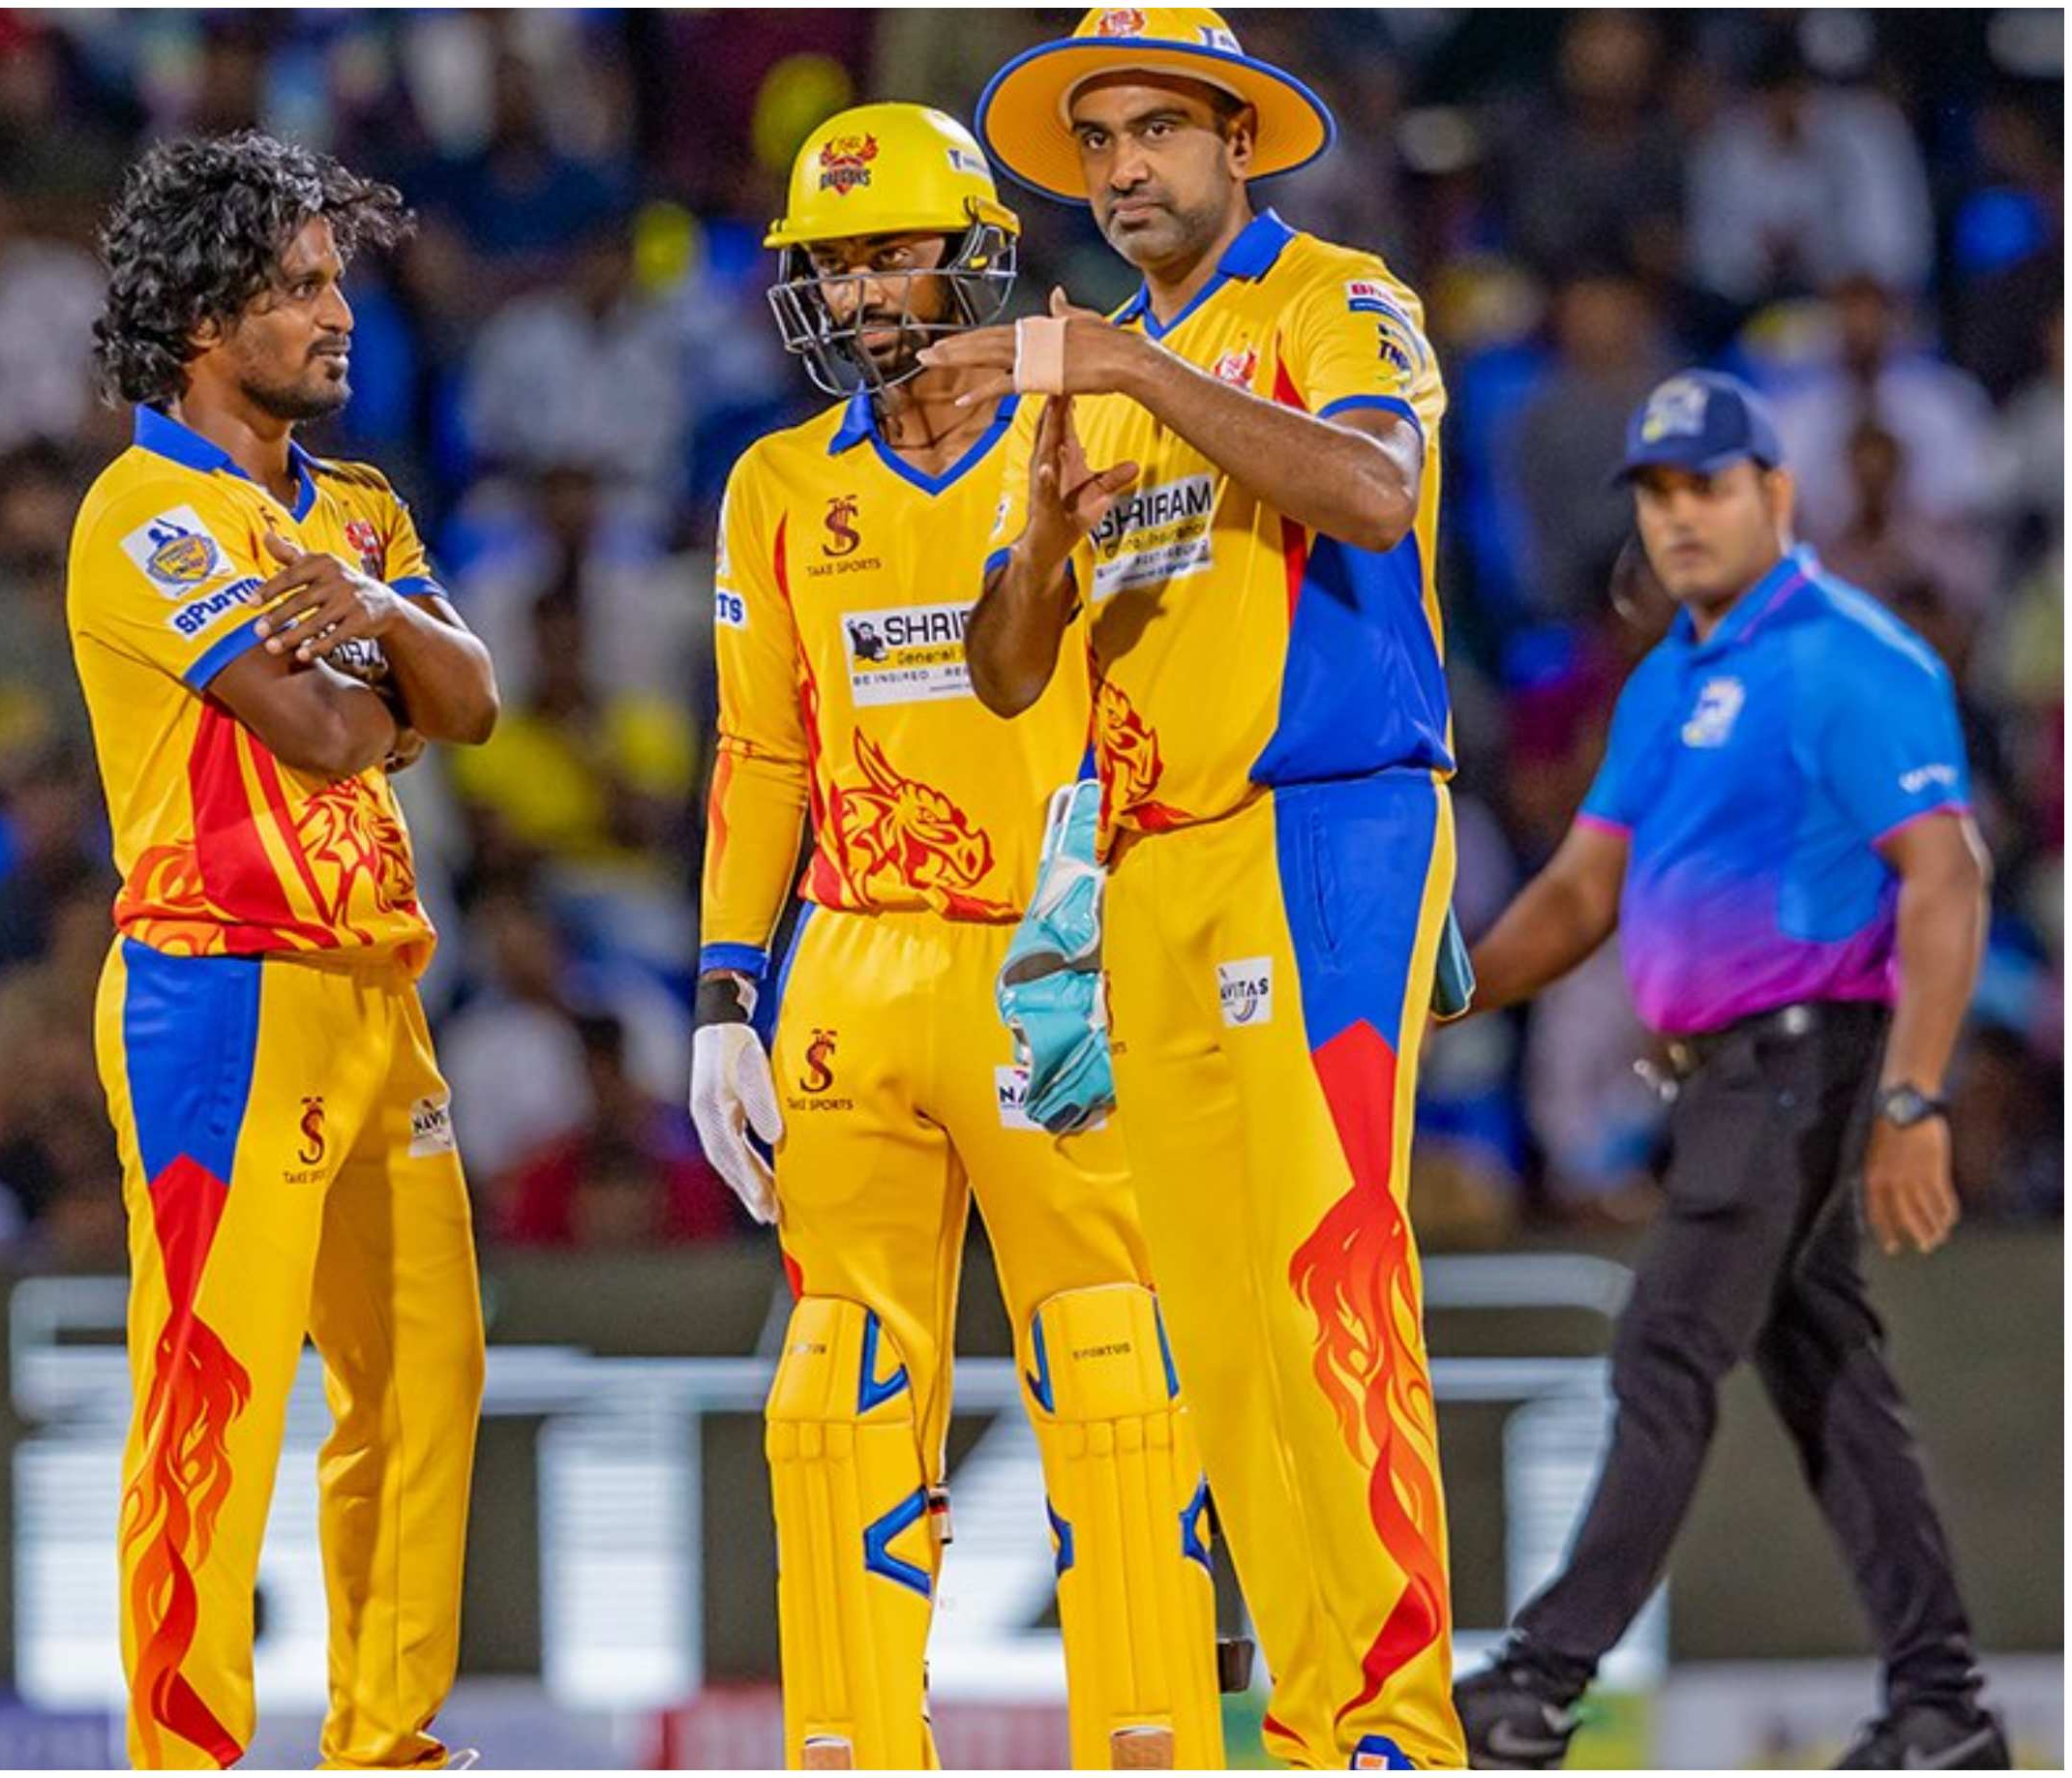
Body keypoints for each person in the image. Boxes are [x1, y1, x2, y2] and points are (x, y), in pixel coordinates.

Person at [932, 8, 1465, 1764]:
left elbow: (1375, 491)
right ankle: (1312, 1721)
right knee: (1222, 1332)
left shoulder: (1331, 296)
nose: (1122, 169)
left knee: (1332, 1271)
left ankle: (1403, 1727)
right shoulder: (1101, 372)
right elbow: (1009, 671)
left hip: (1325, 829)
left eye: (1158, 128)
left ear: (1240, 141)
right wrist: (1046, 541)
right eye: (1098, 142)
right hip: (1152, 862)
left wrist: (1137, 375)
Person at [691, 103, 1232, 1770]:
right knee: (834, 1380)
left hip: (1049, 959)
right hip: (853, 961)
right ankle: (849, 1745)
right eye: (832, 260)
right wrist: (723, 995)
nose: (858, 290)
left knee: (1113, 1359)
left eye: (889, 252)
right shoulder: (778, 483)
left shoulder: (1091, 427)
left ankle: (1150, 1741)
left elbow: (1177, 684)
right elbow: (761, 752)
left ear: (974, 255)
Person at [1448, 372, 2008, 1772]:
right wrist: (1438, 999)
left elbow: (1945, 876)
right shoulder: (1669, 679)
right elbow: (1580, 891)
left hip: (1807, 1059)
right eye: (1657, 492)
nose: (1679, 516)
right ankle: (1941, 1704)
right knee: (1829, 1376)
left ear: (1777, 492)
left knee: (1668, 1344)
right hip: (1733, 1076)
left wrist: (1915, 1096)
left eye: (1707, 485)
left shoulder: (1847, 655)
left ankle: (1535, 1683)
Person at [73, 131, 500, 1771]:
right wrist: (394, 670)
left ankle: (387, 1743)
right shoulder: (146, 512)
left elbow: (475, 698)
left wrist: (379, 621)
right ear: (204, 318)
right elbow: (325, 733)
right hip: (220, 989)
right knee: (216, 1390)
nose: (340, 315)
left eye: (337, 281)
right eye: (301, 288)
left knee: (427, 1380)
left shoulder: (361, 507)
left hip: (377, 991)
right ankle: (187, 1754)